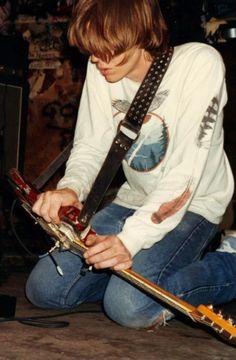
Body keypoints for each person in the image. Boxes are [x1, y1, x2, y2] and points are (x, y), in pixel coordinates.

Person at [25, 0, 234, 329]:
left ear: (141, 35)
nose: (97, 60)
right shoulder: (101, 65)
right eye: (92, 49)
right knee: (45, 290)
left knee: (128, 307)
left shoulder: (199, 64)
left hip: (194, 204)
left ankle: (228, 263)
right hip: (134, 199)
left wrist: (131, 241)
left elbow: (183, 178)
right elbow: (91, 145)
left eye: (109, 50)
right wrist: (70, 188)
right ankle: (141, 271)